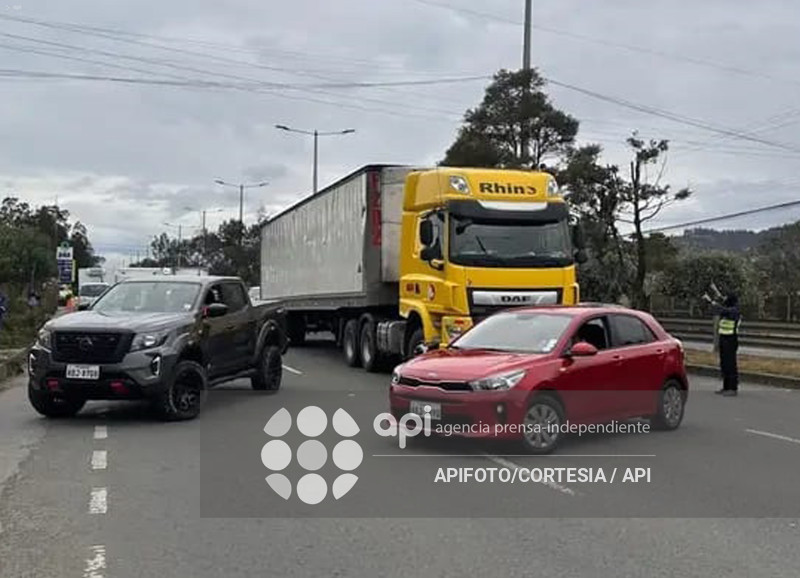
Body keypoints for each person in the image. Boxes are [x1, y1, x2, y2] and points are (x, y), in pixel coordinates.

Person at [703, 291, 741, 396]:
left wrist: (712, 301)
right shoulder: (729, 308)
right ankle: (726, 387)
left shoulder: (735, 311)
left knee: (730, 365)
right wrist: (712, 301)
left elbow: (723, 310)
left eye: (727, 298)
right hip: (724, 338)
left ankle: (733, 388)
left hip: (731, 340)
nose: (725, 299)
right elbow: (721, 308)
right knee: (724, 364)